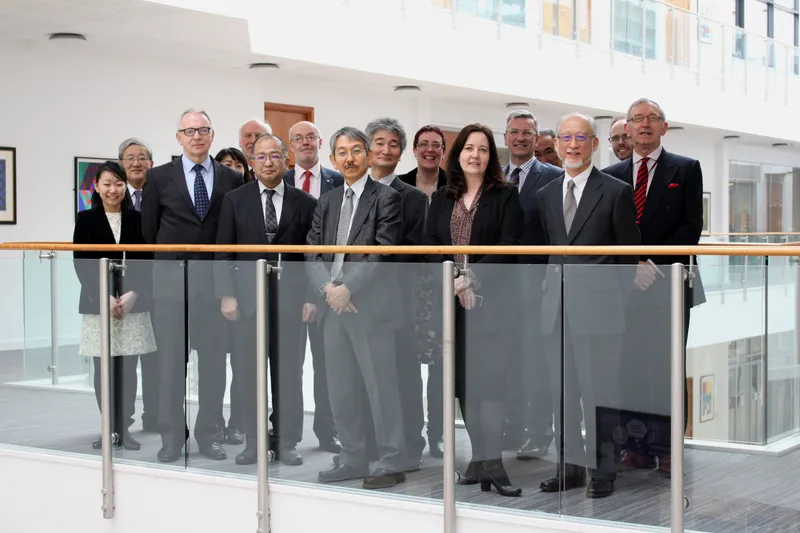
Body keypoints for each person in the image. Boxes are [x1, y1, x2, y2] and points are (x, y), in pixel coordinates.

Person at [536, 113, 640, 499]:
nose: (573, 145)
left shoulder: (614, 191)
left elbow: (628, 259)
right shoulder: (546, 194)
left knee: (600, 396)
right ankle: (570, 468)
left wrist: (612, 303)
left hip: (600, 314)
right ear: (557, 143)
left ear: (594, 144)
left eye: (581, 138)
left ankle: (603, 471)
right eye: (566, 138)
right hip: (555, 311)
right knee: (562, 395)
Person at [603, 98, 705, 477]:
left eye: (652, 118)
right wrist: (632, 266)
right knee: (629, 367)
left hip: (670, 284)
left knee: (666, 368)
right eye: (637, 119)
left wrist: (650, 266)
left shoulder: (687, 168)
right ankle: (638, 447)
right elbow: (606, 232)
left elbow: (690, 228)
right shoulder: (610, 174)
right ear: (626, 128)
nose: (644, 124)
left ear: (664, 127)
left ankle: (667, 449)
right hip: (625, 286)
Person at [425, 123, 524, 497]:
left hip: (493, 306)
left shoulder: (505, 196)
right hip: (452, 307)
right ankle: (480, 459)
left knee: (491, 383)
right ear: (459, 153)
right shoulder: (442, 197)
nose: (475, 155)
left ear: (491, 156)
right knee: (465, 384)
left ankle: (493, 462)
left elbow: (510, 246)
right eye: (469, 148)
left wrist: (473, 278)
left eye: (483, 149)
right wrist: (452, 281)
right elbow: (431, 245)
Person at [305, 126, 406, 490]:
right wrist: (330, 288)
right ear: (332, 159)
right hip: (333, 307)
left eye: (356, 151)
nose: (349, 158)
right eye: (342, 152)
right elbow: (312, 249)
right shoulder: (327, 200)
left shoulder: (387, 198)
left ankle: (392, 459)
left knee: (381, 387)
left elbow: (383, 250)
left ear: (367, 155)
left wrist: (349, 288)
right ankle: (353, 456)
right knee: (341, 387)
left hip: (370, 308)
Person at [141, 108, 244, 463]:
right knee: (170, 365)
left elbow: (231, 234)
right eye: (189, 131)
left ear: (213, 135)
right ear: (178, 137)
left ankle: (209, 434)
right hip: (170, 286)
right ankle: (172, 437)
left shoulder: (231, 178)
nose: (196, 136)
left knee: (214, 365)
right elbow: (149, 233)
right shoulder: (157, 178)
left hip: (214, 288)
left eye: (203, 130)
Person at [216, 134, 317, 466]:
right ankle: (254, 441)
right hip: (247, 303)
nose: (269, 162)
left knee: (289, 375)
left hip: (291, 304)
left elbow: (311, 257)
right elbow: (224, 251)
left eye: (275, 155)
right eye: (261, 157)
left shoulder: (306, 203)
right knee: (247, 375)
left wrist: (311, 298)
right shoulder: (234, 200)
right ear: (252, 163)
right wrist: (227, 295)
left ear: (286, 160)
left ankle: (286, 442)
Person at [73, 161, 156, 451]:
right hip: (99, 305)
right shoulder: (85, 220)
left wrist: (134, 293)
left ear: (126, 187)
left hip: (132, 303)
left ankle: (124, 428)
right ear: (96, 186)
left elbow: (147, 262)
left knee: (128, 369)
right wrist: (103, 296)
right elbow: (81, 264)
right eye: (107, 184)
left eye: (119, 184)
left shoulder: (138, 218)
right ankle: (108, 428)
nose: (113, 189)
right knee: (103, 368)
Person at [365, 117, 428, 471]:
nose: (385, 149)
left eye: (393, 144)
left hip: (397, 300)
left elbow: (413, 252)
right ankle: (375, 441)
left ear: (401, 152)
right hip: (357, 301)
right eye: (379, 142)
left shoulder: (414, 198)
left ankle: (410, 444)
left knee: (403, 372)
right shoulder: (354, 191)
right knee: (370, 375)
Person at [501, 110, 562, 460]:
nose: (521, 138)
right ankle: (513, 427)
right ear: (505, 137)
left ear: (538, 140)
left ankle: (540, 432)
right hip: (497, 285)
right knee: (507, 360)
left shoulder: (553, 176)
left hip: (536, 285)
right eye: (514, 132)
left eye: (528, 133)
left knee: (535, 362)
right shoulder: (494, 177)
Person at [284, 120, 344, 454]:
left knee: (328, 366)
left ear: (320, 142)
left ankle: (328, 430)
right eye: (298, 139)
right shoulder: (279, 180)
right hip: (293, 291)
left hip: (334, 288)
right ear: (290, 146)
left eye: (311, 137)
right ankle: (289, 433)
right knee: (292, 365)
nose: (305, 142)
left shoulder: (338, 180)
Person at [398, 125, 448, 459]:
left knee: (442, 365)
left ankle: (438, 433)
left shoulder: (456, 187)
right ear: (414, 150)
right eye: (424, 144)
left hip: (444, 284)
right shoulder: (399, 187)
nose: (430, 150)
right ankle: (411, 433)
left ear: (444, 151)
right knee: (407, 364)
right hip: (408, 287)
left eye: (437, 145)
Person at [118, 138, 159, 434]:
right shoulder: (111, 199)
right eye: (130, 158)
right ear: (121, 164)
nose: (136, 163)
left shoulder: (161, 194)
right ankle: (122, 419)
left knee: (157, 358)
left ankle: (155, 415)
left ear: (151, 164)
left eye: (142, 158)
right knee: (126, 360)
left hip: (160, 288)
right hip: (123, 294)